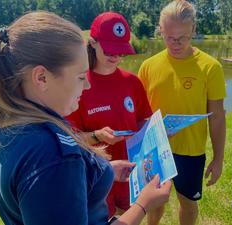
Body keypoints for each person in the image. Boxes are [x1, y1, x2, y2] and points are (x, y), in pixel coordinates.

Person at [0, 11, 171, 225]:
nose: (88, 84)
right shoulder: (54, 156)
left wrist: (100, 171)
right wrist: (143, 205)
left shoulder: (5, 124)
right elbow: (52, 175)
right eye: (81, 77)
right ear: (41, 77)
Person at [138, 1, 226, 225]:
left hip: (191, 151)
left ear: (194, 30)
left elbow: (216, 117)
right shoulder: (148, 66)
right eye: (169, 37)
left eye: (183, 37)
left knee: (188, 203)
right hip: (157, 150)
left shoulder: (210, 67)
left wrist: (218, 158)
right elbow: (140, 114)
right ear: (160, 30)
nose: (176, 44)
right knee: (155, 203)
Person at [65, 12, 154, 220]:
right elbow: (69, 139)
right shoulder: (78, 84)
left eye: (121, 51)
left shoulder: (133, 82)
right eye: (110, 50)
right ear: (93, 43)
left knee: (131, 216)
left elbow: (142, 120)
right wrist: (97, 136)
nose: (116, 57)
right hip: (95, 175)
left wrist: (157, 131)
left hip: (130, 170)